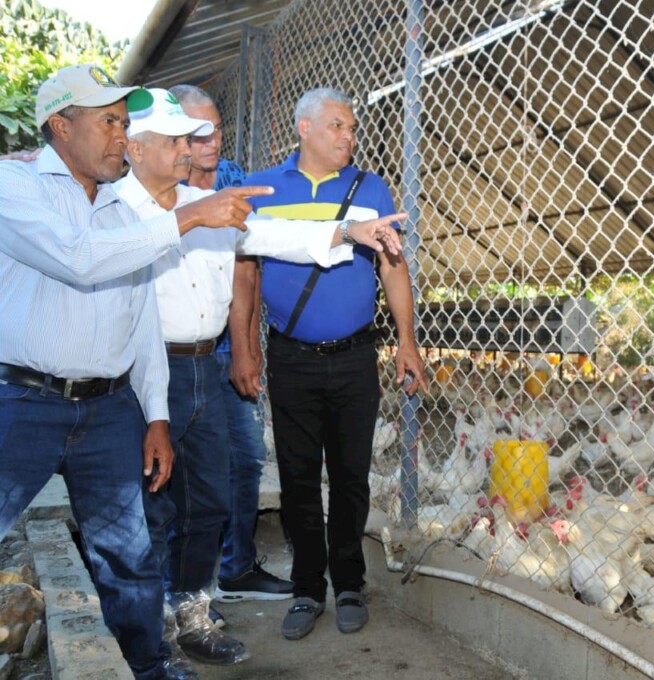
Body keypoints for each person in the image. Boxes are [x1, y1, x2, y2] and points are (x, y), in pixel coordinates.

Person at [114, 86, 406, 667]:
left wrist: (348, 232)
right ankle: (146, 629)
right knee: (144, 505)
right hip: (144, 368)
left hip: (209, 363)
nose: (194, 148)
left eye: (198, 136)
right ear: (136, 148)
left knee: (210, 500)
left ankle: (193, 614)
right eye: (179, 139)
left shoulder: (216, 202)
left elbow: (270, 238)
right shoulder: (114, 207)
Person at [0, 64, 271, 680]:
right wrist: (188, 218)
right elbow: (78, 259)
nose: (121, 136)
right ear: (61, 126)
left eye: (124, 123)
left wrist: (155, 416)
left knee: (127, 554)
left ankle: (147, 666)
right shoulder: (15, 186)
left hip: (107, 410)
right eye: (108, 122)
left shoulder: (121, 212)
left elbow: (140, 324)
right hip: (25, 401)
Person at [242, 87, 428, 642]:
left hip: (354, 356)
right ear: (304, 128)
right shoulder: (264, 188)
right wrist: (246, 346)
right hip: (290, 356)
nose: (349, 136)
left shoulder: (371, 189)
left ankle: (348, 583)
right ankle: (306, 588)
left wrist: (407, 341)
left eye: (352, 128)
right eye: (337, 126)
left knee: (350, 476)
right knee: (298, 477)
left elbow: (393, 267)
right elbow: (246, 271)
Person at [168, 83, 292, 605]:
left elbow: (246, 267)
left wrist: (246, 347)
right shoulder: (157, 183)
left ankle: (236, 567)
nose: (213, 141)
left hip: (224, 347)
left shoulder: (233, 177)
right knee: (181, 473)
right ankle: (178, 589)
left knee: (246, 459)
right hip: (174, 355)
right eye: (200, 133)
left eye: (217, 129)